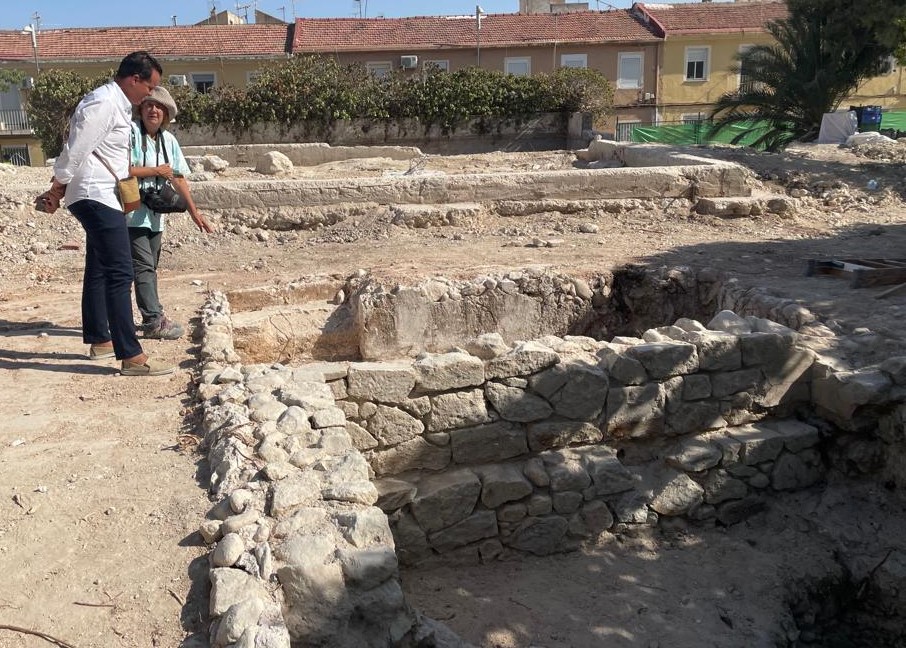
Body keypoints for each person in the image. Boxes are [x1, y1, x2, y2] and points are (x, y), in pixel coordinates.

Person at [35, 51, 175, 376]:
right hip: (94, 195)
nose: (150, 95)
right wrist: (58, 187)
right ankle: (132, 356)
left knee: (99, 266)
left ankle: (101, 340)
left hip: (99, 193)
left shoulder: (118, 105)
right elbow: (76, 148)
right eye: (150, 87)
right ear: (134, 79)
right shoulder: (104, 102)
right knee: (121, 273)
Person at [128, 86, 213, 339]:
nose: (153, 110)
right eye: (148, 105)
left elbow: (178, 177)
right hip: (130, 212)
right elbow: (121, 168)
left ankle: (146, 315)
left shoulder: (169, 140)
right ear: (141, 110)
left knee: (150, 266)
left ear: (166, 113)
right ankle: (154, 321)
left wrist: (193, 212)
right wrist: (155, 171)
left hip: (155, 216)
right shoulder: (131, 133)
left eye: (158, 107)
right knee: (143, 266)